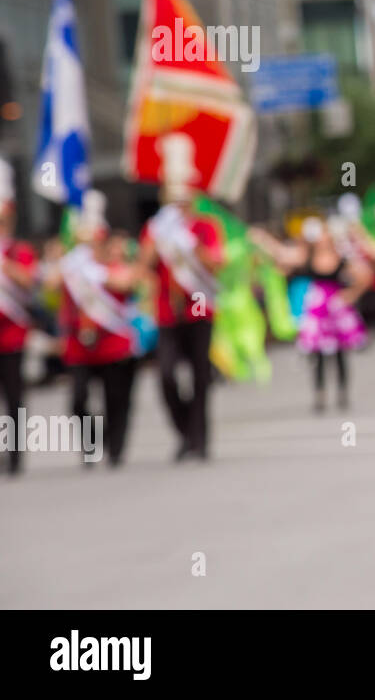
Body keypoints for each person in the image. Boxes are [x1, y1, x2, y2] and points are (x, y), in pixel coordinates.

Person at [137, 134, 223, 461]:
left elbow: (215, 264)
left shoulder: (204, 227)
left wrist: (190, 243)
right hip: (167, 312)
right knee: (167, 376)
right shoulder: (156, 230)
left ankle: (201, 440)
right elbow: (143, 267)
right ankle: (185, 431)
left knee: (201, 376)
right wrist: (156, 240)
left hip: (199, 308)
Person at [252, 217, 372, 411]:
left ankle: (342, 392)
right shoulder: (306, 255)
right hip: (317, 308)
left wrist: (351, 294)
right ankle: (320, 394)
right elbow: (281, 254)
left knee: (340, 354)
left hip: (336, 308)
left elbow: (365, 275)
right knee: (318, 355)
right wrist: (263, 239)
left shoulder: (341, 256)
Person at [56, 191, 139, 467]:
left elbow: (127, 283)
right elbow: (48, 285)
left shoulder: (110, 264)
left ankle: (115, 448)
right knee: (78, 399)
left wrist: (97, 273)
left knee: (115, 397)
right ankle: (91, 442)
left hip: (111, 340)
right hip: (80, 342)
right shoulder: (71, 266)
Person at [0, 159, 37, 475]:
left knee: (13, 397)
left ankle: (14, 454)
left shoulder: (17, 250)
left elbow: (28, 282)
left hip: (11, 335)